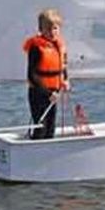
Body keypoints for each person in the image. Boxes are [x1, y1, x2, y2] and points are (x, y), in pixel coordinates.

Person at [24, 9, 69, 140]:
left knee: (50, 128)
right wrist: (48, 94)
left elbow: (63, 66)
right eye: (48, 29)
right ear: (40, 29)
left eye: (55, 28)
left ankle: (48, 154)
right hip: (39, 93)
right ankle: (33, 154)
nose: (52, 32)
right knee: (40, 128)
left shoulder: (59, 45)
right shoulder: (36, 48)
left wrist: (65, 80)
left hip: (54, 92)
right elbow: (31, 75)